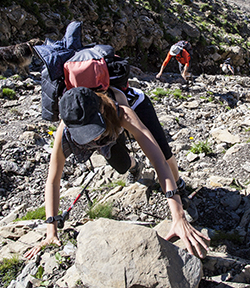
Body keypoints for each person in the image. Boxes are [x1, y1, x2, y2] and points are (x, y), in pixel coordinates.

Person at [24, 87, 209, 260]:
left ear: (100, 112)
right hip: (109, 129)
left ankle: (179, 184)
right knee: (121, 165)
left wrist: (178, 216)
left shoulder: (123, 112)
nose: (92, 137)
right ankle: (135, 166)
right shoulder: (66, 127)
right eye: (84, 133)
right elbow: (53, 181)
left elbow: (158, 161)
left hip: (132, 107)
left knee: (164, 153)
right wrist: (51, 230)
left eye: (92, 130)